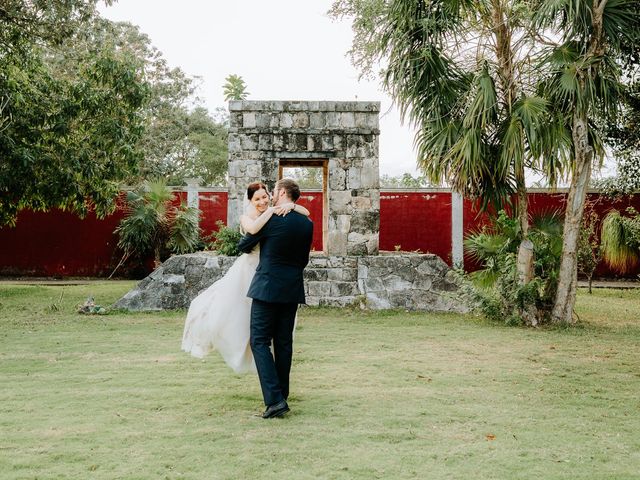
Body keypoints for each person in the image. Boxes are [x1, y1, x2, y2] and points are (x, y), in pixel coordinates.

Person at [181, 181, 310, 374]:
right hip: (256, 273)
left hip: (266, 277)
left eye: (266, 195)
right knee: (238, 318)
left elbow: (302, 211)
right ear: (250, 201)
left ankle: (274, 394)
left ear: (277, 194)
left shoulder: (279, 214)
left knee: (262, 337)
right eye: (257, 199)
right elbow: (251, 233)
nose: (263, 200)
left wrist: (291, 206)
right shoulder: (281, 218)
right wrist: (274, 211)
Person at [237, 178, 313, 419]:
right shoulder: (307, 223)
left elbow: (244, 245)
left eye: (274, 192)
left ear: (281, 193)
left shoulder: (272, 219)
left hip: (267, 287)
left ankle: (274, 399)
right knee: (283, 343)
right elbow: (304, 260)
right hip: (292, 288)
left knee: (259, 341)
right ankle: (283, 394)